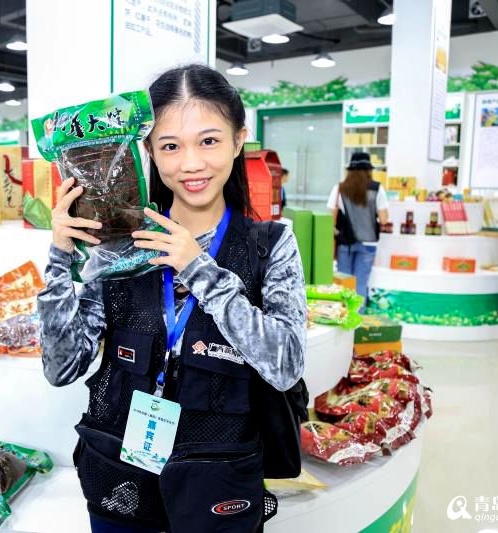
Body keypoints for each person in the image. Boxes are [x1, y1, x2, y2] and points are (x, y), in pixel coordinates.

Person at [37, 64, 307, 533]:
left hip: (219, 484)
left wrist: (198, 268)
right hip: (119, 483)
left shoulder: (270, 244)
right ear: (149, 152)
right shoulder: (121, 245)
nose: (191, 163)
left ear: (238, 141)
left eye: (209, 141)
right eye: (170, 146)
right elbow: (61, 367)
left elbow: (285, 366)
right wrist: (60, 257)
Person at [327, 152, 389, 309]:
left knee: (344, 283)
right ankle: (358, 318)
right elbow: (384, 219)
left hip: (345, 242)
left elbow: (330, 217)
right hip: (369, 243)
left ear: (350, 170)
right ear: (369, 170)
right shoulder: (378, 189)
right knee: (360, 283)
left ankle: (342, 317)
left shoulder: (340, 188)